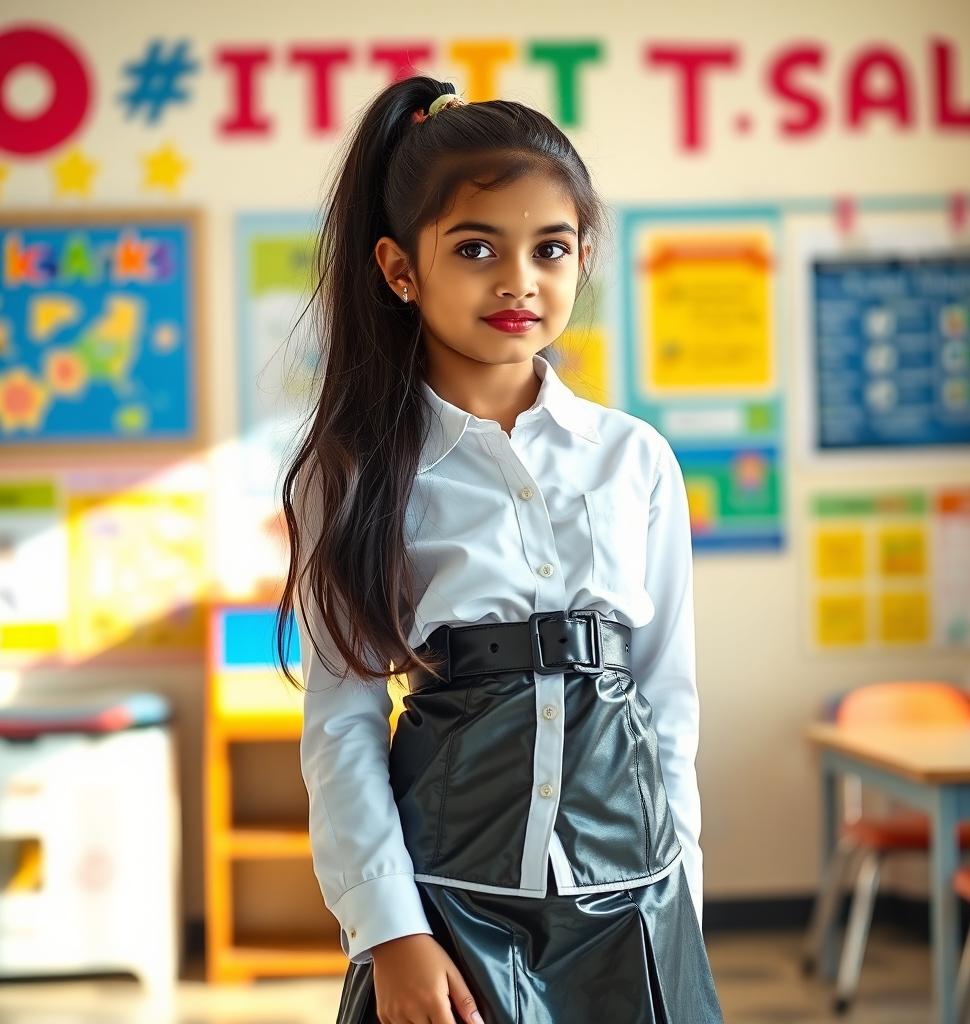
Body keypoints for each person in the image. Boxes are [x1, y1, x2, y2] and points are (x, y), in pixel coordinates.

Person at [275, 75, 724, 1024]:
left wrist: (680, 884)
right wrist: (389, 930)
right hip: (447, 902)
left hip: (633, 898)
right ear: (401, 271)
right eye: (476, 248)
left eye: (549, 248)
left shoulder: (633, 458)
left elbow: (667, 695)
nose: (519, 279)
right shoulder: (354, 471)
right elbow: (342, 722)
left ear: (582, 257)